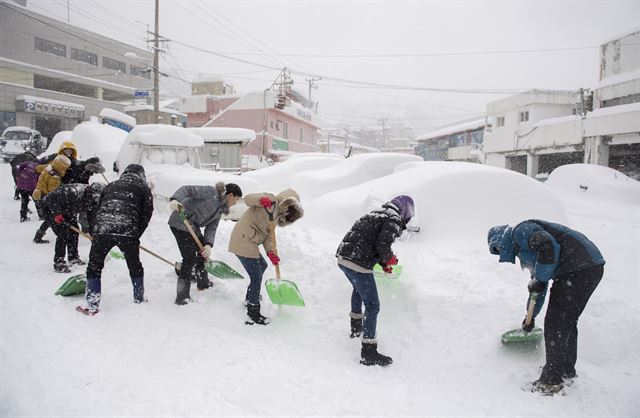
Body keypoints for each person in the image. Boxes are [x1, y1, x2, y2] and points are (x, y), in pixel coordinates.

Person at [487, 220, 605, 394]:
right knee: (566, 322)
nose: (499, 255)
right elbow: (537, 291)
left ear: (501, 241)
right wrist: (531, 317)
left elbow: (548, 245)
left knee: (556, 323)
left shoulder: (520, 232)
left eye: (497, 249)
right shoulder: (525, 252)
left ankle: (551, 381)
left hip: (578, 266)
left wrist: (540, 280)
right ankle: (564, 371)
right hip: (587, 267)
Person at [335, 195, 415, 367]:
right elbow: (382, 246)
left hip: (344, 258)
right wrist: (390, 259)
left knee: (358, 289)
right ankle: (368, 351)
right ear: (405, 211)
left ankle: (356, 328)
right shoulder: (393, 218)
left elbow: (368, 241)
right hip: (358, 262)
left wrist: (383, 262)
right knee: (373, 305)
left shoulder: (376, 213)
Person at [78, 164, 154, 315]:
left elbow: (98, 208)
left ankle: (92, 304)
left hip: (103, 230)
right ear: (141, 175)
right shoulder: (143, 189)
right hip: (128, 231)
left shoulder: (110, 185)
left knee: (94, 266)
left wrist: (96, 230)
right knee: (134, 265)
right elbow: (146, 214)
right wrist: (135, 234)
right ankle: (139, 298)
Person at [228, 188, 304, 325]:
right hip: (242, 239)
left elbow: (268, 236)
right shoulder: (270, 200)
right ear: (287, 204)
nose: (287, 214)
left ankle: (251, 296)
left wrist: (271, 252)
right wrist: (260, 200)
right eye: (289, 210)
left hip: (250, 242)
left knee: (262, 266)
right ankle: (253, 312)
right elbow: (248, 199)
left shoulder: (275, 217)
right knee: (256, 276)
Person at [168, 182, 243, 305]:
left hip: (193, 227)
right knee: (189, 258)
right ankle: (182, 297)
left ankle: (203, 282)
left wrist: (208, 244)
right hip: (180, 222)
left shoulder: (220, 210)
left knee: (203, 252)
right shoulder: (211, 192)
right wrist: (175, 200)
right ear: (230, 195)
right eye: (236, 199)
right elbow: (188, 188)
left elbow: (211, 228)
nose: (235, 203)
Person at [41, 182, 105, 273]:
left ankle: (73, 258)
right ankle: (59, 262)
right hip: (50, 208)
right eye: (96, 196)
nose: (96, 199)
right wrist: (57, 213)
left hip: (68, 211)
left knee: (74, 233)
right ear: (91, 191)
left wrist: (93, 235)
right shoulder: (75, 191)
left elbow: (91, 220)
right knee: (63, 235)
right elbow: (53, 197)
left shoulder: (93, 202)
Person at [31, 154, 72, 244]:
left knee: (49, 218)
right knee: (51, 218)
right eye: (65, 168)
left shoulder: (49, 167)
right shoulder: (55, 177)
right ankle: (60, 236)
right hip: (44, 197)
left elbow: (38, 168)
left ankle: (39, 236)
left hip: (38, 193)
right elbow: (53, 194)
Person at [14, 155, 40, 222]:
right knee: (37, 200)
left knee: (24, 201)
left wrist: (18, 177)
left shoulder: (26, 163)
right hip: (31, 187)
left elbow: (18, 168)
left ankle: (23, 217)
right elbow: (38, 178)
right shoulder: (38, 166)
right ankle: (41, 215)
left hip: (21, 186)